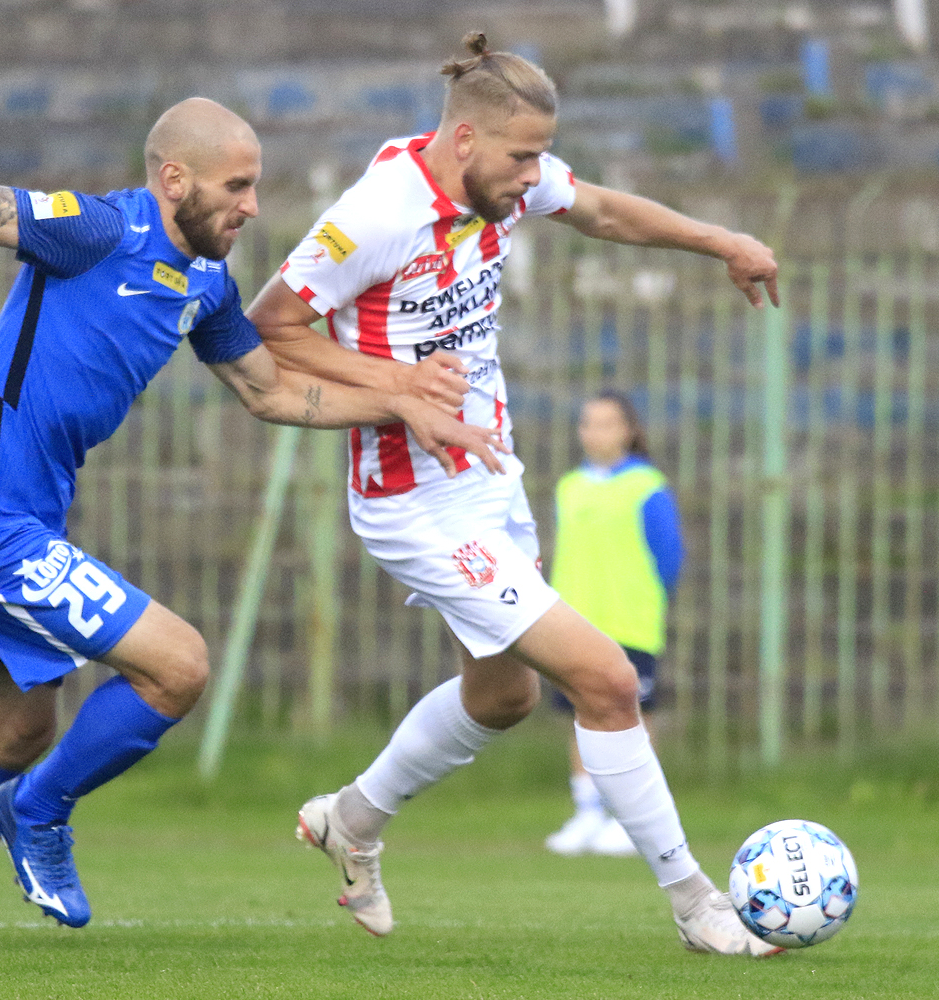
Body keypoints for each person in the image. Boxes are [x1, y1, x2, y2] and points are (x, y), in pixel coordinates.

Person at [0, 97, 505, 945]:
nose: (253, 205)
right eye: (236, 186)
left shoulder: (207, 284)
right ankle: (37, 811)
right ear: (175, 180)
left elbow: (269, 391)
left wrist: (402, 405)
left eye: (254, 186)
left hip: (21, 520)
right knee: (178, 667)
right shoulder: (99, 229)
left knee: (18, 727)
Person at [245, 33, 781, 956]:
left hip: (488, 477)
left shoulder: (505, 181)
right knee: (607, 679)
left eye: (542, 156)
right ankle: (698, 905)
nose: (535, 175)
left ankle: (352, 820)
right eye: (523, 156)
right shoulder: (376, 214)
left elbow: (599, 209)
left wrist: (720, 241)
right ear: (464, 140)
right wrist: (400, 387)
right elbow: (270, 327)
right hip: (414, 503)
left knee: (501, 698)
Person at [544, 391, 683, 858]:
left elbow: (669, 557)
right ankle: (587, 812)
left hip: (629, 623)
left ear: (628, 430)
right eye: (588, 423)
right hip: (575, 623)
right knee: (579, 714)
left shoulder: (646, 486)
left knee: (635, 716)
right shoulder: (569, 486)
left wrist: (642, 598)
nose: (596, 433)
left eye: (607, 423)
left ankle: (633, 819)